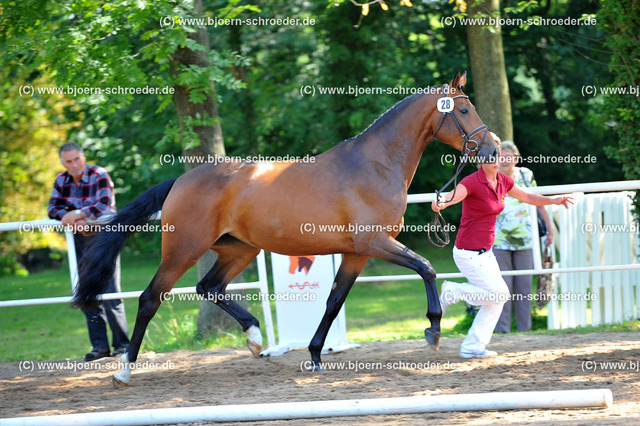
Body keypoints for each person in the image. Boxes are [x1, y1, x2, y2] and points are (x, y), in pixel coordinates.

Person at [433, 149, 572, 358]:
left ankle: (472, 346)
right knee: (500, 295)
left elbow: (527, 196)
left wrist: (553, 200)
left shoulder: (503, 181)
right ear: (480, 162)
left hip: (485, 253)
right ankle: (453, 292)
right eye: (491, 159)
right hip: (467, 252)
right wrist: (441, 201)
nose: (497, 162)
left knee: (496, 300)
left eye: (498, 158)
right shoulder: (471, 182)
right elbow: (454, 196)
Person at [48, 142, 129, 361]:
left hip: (105, 236)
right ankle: (99, 347)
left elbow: (102, 205)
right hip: (79, 239)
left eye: (76, 159)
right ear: (63, 163)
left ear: (83, 158)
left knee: (112, 291)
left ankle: (122, 345)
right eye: (68, 161)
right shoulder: (61, 180)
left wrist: (76, 215)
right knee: (87, 291)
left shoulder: (99, 174)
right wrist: (73, 217)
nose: (73, 165)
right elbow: (52, 209)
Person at [493, 140, 553, 333]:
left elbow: (537, 201)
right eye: (501, 157)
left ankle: (524, 330)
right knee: (503, 287)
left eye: (508, 157)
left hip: (526, 239)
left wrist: (549, 228)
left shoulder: (526, 175)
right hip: (498, 240)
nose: (504, 160)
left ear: (516, 158)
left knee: (524, 287)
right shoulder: (491, 176)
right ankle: (502, 330)